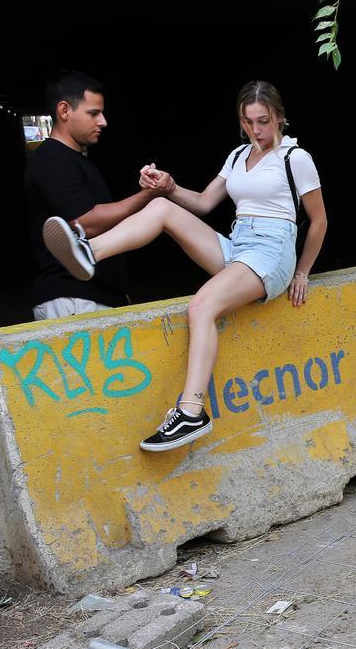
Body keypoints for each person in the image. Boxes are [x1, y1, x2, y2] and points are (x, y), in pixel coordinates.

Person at [42, 80, 328, 452]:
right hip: (239, 245)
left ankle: (191, 411)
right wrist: (168, 185)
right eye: (248, 122)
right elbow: (205, 203)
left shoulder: (295, 158)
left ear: (279, 117)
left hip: (272, 253)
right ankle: (88, 252)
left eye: (264, 121)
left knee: (201, 305)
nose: (256, 131)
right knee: (161, 208)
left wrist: (302, 271)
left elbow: (319, 220)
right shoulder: (239, 155)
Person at [26, 71, 174, 319]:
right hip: (73, 299)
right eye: (93, 113)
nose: (103, 121)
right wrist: (147, 195)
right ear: (64, 111)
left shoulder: (75, 160)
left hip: (92, 297)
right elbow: (87, 223)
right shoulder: (52, 160)